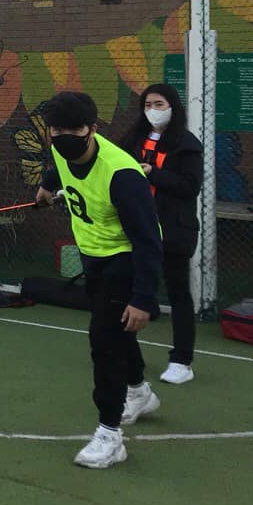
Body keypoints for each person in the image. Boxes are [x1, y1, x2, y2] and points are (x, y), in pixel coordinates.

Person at [35, 91, 163, 469]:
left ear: (92, 129)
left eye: (74, 131)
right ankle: (139, 391)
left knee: (104, 342)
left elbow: (148, 242)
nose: (63, 138)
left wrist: (143, 297)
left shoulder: (122, 175)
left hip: (124, 260)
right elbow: (59, 165)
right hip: (92, 256)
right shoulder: (61, 150)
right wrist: (46, 186)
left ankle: (110, 435)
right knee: (117, 330)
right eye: (56, 131)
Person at [119, 83, 202, 385]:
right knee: (127, 288)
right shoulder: (133, 138)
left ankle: (182, 360)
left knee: (178, 292)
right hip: (137, 227)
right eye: (147, 105)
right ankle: (125, 355)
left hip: (173, 230)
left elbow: (190, 186)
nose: (152, 110)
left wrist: (153, 173)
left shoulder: (187, 143)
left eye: (159, 104)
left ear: (172, 107)